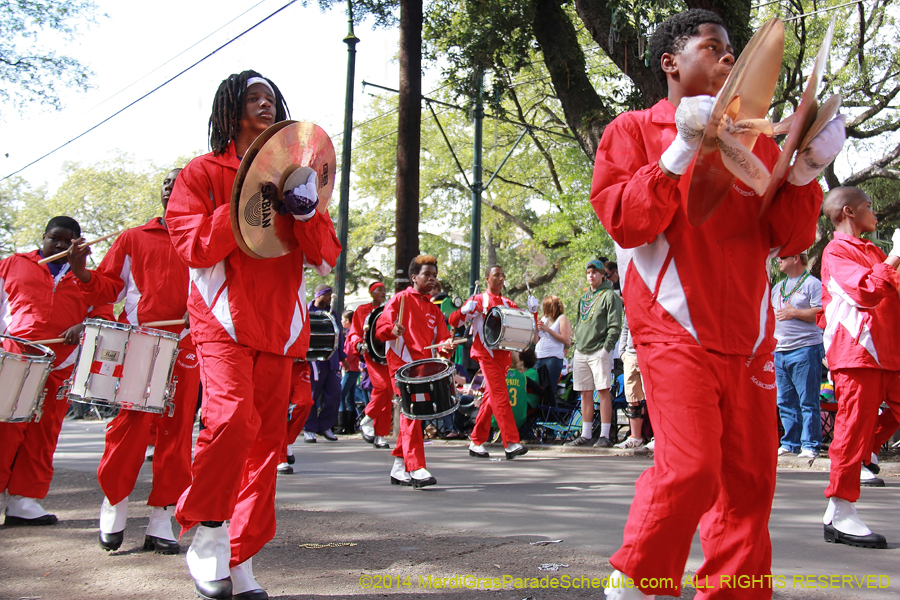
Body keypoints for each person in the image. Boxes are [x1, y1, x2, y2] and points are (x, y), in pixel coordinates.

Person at [590, 9, 842, 598]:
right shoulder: (632, 130)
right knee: (691, 468)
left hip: (751, 335)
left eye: (733, 50)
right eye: (713, 47)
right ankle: (638, 578)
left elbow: (789, 239)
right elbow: (626, 221)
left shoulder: (755, 144)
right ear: (670, 62)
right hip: (673, 327)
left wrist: (805, 170)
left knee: (751, 482)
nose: (729, 58)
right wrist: (680, 147)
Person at [165, 70, 341, 599]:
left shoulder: (296, 175)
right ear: (229, 112)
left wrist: (306, 210)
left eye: (271, 98)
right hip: (223, 322)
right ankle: (210, 532)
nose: (265, 106)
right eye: (252, 99)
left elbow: (325, 255)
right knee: (231, 421)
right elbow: (193, 246)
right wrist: (246, 199)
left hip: (281, 326)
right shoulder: (201, 172)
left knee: (268, 446)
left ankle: (238, 555)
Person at [66, 168, 202, 554]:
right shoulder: (133, 237)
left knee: (177, 435)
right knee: (129, 428)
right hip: (142, 341)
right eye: (165, 184)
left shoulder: (206, 241)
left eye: (179, 184)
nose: (169, 189)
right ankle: (115, 503)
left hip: (189, 346)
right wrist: (81, 271)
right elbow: (107, 287)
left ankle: (161, 519)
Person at [0, 217, 113, 526]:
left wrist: (84, 325)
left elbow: (103, 314)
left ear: (78, 243)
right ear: (44, 237)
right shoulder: (13, 264)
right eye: (55, 239)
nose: (61, 246)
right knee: (5, 428)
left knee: (44, 430)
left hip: (61, 363)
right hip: (16, 358)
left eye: (68, 241)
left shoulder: (88, 276)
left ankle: (24, 499)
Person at [818, 186, 900, 549]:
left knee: (863, 431)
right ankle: (841, 509)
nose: (875, 213)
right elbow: (865, 292)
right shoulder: (836, 251)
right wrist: (896, 255)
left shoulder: (873, 251)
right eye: (869, 206)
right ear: (848, 212)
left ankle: (860, 457)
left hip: (888, 352)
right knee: (850, 430)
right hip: (857, 354)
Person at [375, 255, 453, 488]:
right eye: (426, 275)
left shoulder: (434, 310)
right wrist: (393, 329)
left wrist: (446, 346)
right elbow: (381, 330)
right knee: (413, 413)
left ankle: (399, 467)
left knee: (414, 416)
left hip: (424, 370)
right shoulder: (400, 300)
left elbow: (442, 342)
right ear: (414, 277)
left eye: (434, 276)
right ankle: (416, 467)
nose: (431, 279)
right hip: (402, 368)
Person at [449, 265, 535, 460]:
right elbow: (454, 321)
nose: (501, 278)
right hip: (486, 355)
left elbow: (525, 328)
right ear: (487, 278)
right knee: (500, 396)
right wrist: (463, 310)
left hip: (504, 357)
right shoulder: (478, 300)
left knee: (490, 398)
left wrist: (533, 312)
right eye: (497, 275)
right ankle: (511, 442)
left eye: (503, 275)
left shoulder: (508, 302)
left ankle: (476, 441)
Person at [771, 252, 824, 459]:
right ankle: (790, 443)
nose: (778, 260)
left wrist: (794, 313)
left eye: (783, 257)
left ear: (796, 258)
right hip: (780, 350)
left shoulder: (813, 284)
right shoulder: (778, 287)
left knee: (808, 400)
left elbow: (821, 313)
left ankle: (810, 445)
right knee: (784, 400)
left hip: (805, 348)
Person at [565, 260, 622, 448]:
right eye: (588, 272)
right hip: (581, 350)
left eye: (595, 272)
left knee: (603, 390)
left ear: (602, 275)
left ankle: (605, 435)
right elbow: (579, 324)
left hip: (599, 349)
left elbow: (615, 325)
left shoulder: (609, 296)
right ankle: (586, 434)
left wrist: (607, 348)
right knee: (585, 392)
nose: (591, 276)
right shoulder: (584, 298)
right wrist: (575, 349)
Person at [348, 281, 392, 449]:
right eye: (379, 290)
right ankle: (368, 417)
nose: (382, 292)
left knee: (388, 393)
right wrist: (358, 343)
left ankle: (380, 434)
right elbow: (354, 333)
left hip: (386, 355)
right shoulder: (361, 311)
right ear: (371, 292)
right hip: (371, 355)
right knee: (382, 387)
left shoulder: (388, 310)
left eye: (384, 290)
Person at [303, 285, 344, 442]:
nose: (329, 298)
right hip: (312, 360)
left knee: (334, 393)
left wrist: (342, 357)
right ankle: (309, 428)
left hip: (331, 360)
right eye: (327, 295)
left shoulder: (332, 313)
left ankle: (325, 426)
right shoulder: (306, 311)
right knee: (312, 395)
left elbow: (338, 336)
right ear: (318, 295)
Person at [614, 313, 645, 449]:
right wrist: (622, 352)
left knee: (652, 398)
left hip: (647, 352)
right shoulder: (630, 304)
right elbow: (626, 327)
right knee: (632, 398)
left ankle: (657, 437)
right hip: (630, 355)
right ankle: (635, 437)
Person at [535, 295, 571, 391]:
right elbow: (536, 340)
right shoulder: (544, 319)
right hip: (539, 355)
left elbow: (566, 339)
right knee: (535, 386)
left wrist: (548, 330)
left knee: (548, 389)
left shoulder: (562, 319)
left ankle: (550, 405)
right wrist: (535, 329)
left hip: (552, 357)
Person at [337, 309, 360, 434]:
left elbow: (350, 354)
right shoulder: (351, 333)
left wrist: (342, 362)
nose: (341, 321)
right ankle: (350, 426)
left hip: (350, 368)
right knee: (349, 397)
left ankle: (342, 425)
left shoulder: (352, 334)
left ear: (347, 320)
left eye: (342, 319)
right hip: (353, 368)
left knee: (340, 394)